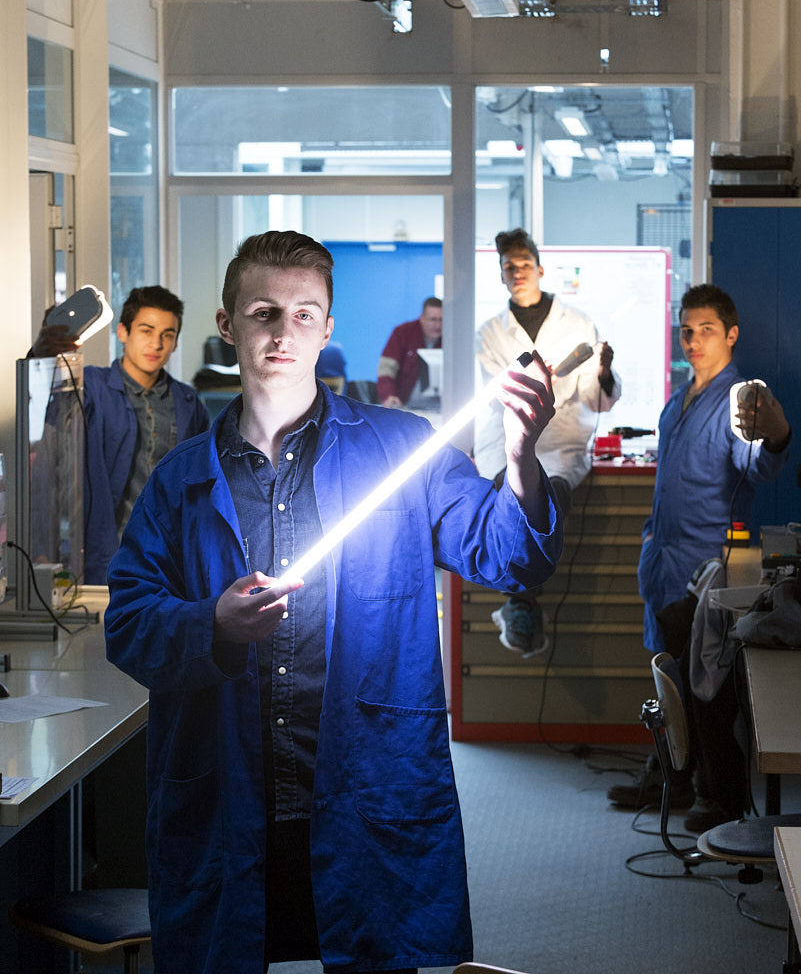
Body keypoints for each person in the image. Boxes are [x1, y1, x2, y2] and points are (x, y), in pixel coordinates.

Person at [104, 229, 563, 974]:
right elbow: (126, 625)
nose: (284, 331)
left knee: (377, 953)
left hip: (362, 786)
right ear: (227, 326)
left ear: (327, 328)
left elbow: (510, 556)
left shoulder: (400, 450)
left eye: (304, 314)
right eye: (263, 312)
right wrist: (210, 624)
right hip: (231, 794)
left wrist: (518, 456)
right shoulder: (180, 482)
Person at [607, 283, 792, 825]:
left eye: (706, 329)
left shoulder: (739, 401)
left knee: (708, 691)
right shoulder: (679, 399)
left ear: (731, 335)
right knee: (669, 680)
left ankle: (717, 793)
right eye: (686, 330)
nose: (693, 339)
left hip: (705, 567)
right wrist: (648, 537)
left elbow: (758, 462)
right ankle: (671, 777)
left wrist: (777, 436)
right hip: (664, 559)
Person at [474, 227, 621, 655]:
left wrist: (605, 371)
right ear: (501, 275)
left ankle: (520, 601)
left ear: (539, 268)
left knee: (550, 495)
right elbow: (498, 390)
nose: (517, 272)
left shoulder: (577, 324)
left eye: (523, 264)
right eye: (508, 267)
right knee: (513, 496)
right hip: (507, 440)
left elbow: (597, 396)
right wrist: (536, 379)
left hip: (560, 442)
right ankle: (521, 600)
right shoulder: (489, 332)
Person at [32, 285, 209, 584]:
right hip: (102, 557)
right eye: (146, 330)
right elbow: (46, 463)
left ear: (176, 343)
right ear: (123, 332)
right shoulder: (88, 388)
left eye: (167, 335)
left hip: (168, 561)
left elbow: (202, 492)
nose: (156, 344)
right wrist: (40, 353)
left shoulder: (188, 404)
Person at [377, 295, 442, 408]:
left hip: (439, 407)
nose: (437, 325)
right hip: (404, 405)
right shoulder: (403, 333)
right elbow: (386, 369)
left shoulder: (451, 336)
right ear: (421, 318)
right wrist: (388, 395)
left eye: (441, 320)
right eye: (433, 319)